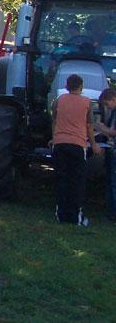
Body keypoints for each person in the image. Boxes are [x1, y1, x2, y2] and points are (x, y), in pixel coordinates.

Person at [51, 74, 102, 226]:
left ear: (67, 86)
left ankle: (61, 214)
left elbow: (54, 121)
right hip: (78, 145)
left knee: (62, 180)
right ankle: (75, 217)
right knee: (76, 182)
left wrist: (54, 138)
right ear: (81, 86)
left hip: (60, 144)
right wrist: (93, 144)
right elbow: (89, 126)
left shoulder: (59, 101)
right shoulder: (86, 103)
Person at [94, 88, 116, 220]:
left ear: (113, 99)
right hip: (111, 149)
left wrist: (100, 127)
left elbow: (113, 132)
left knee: (113, 183)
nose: (107, 107)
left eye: (107, 104)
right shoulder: (113, 113)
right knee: (110, 181)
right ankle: (110, 210)